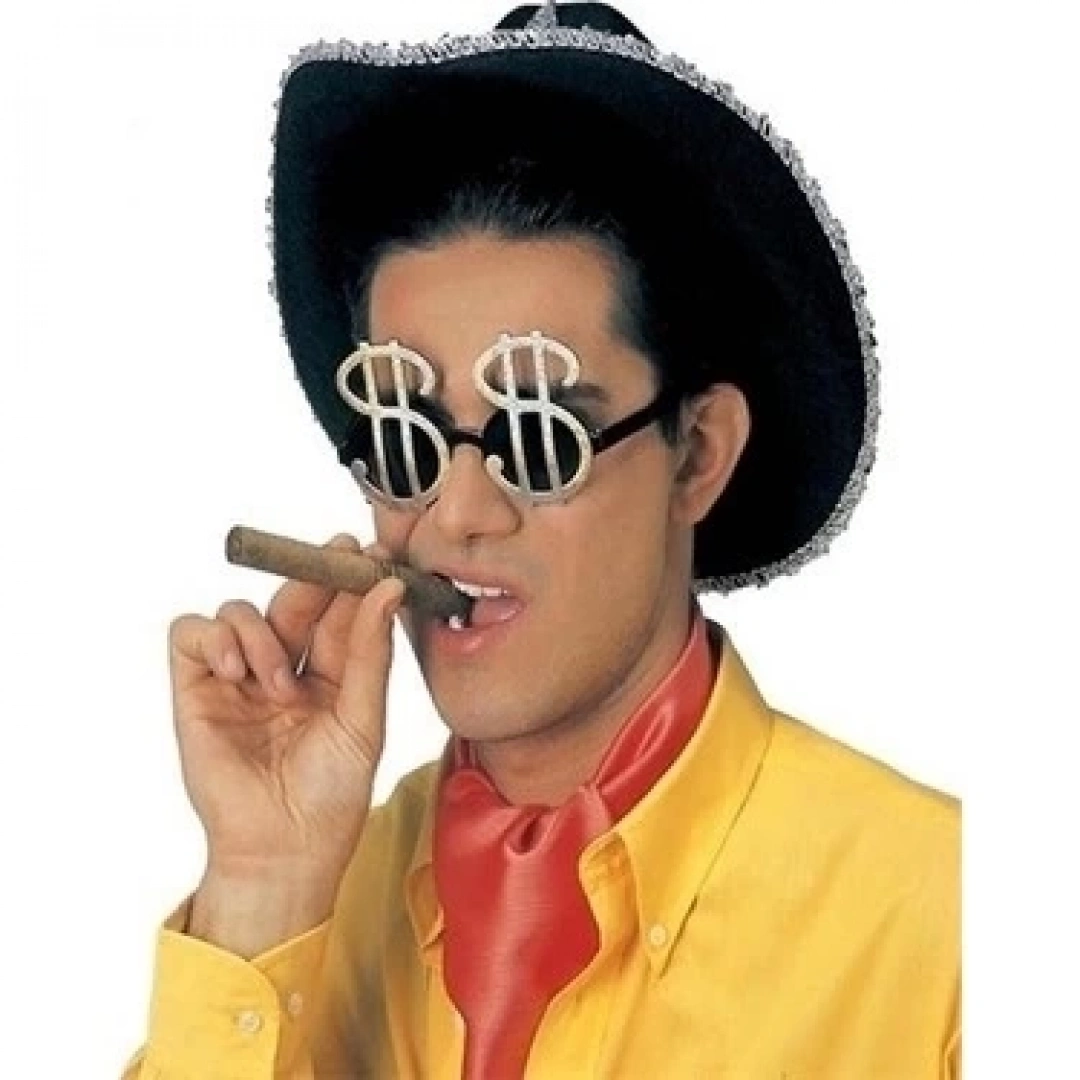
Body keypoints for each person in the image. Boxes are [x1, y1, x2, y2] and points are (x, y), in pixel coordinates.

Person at [121, 2, 960, 1077]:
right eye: (407, 436)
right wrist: (261, 884)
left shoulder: (945, 929)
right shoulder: (298, 924)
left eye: (538, 435)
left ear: (698, 454)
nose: (457, 513)